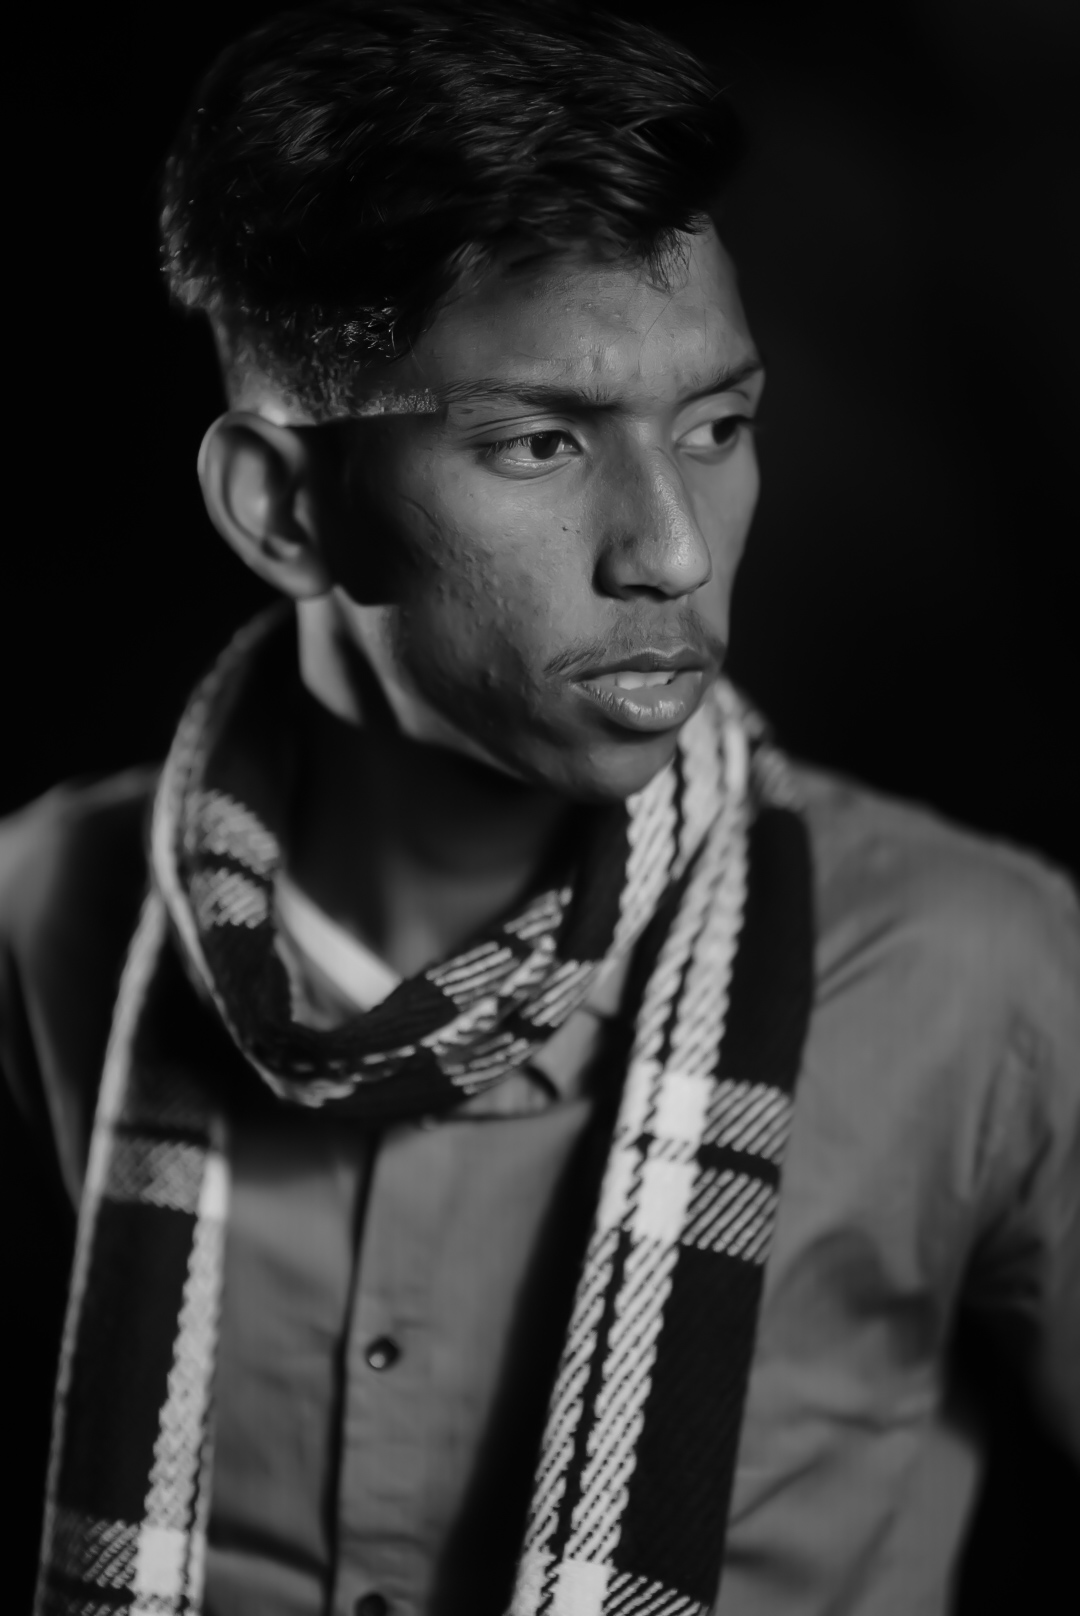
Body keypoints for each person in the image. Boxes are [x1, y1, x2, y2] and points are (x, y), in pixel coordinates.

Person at [2, 4, 1077, 1614]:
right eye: (542, 442)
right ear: (284, 509)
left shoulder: (975, 973)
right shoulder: (44, 918)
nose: (672, 551)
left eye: (719, 429)